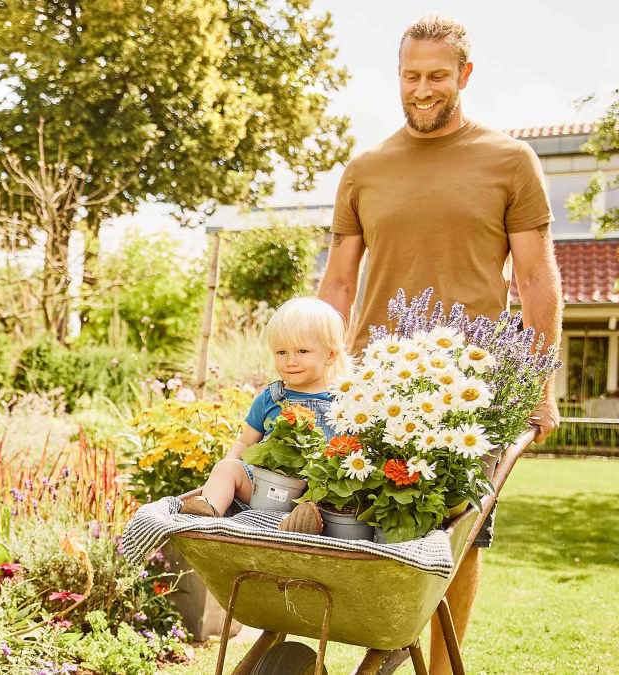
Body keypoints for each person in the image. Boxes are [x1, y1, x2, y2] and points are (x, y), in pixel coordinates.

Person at [317, 15, 564, 675]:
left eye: (436, 76)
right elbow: (338, 283)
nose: (421, 89)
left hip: (468, 390)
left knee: (460, 537)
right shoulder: (365, 169)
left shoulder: (511, 161)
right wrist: (310, 364)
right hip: (371, 386)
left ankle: (440, 665)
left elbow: (539, 281)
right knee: (357, 527)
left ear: (464, 75)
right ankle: (385, 646)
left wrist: (538, 384)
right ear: (397, 76)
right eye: (411, 75)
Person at [181, 297, 346, 524]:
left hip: (318, 495)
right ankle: (207, 510)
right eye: (281, 353)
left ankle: (302, 523)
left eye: (302, 351)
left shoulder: (343, 404)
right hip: (267, 491)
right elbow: (245, 443)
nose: (291, 361)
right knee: (227, 469)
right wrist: (228, 464)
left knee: (335, 497)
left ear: (330, 355)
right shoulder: (271, 398)